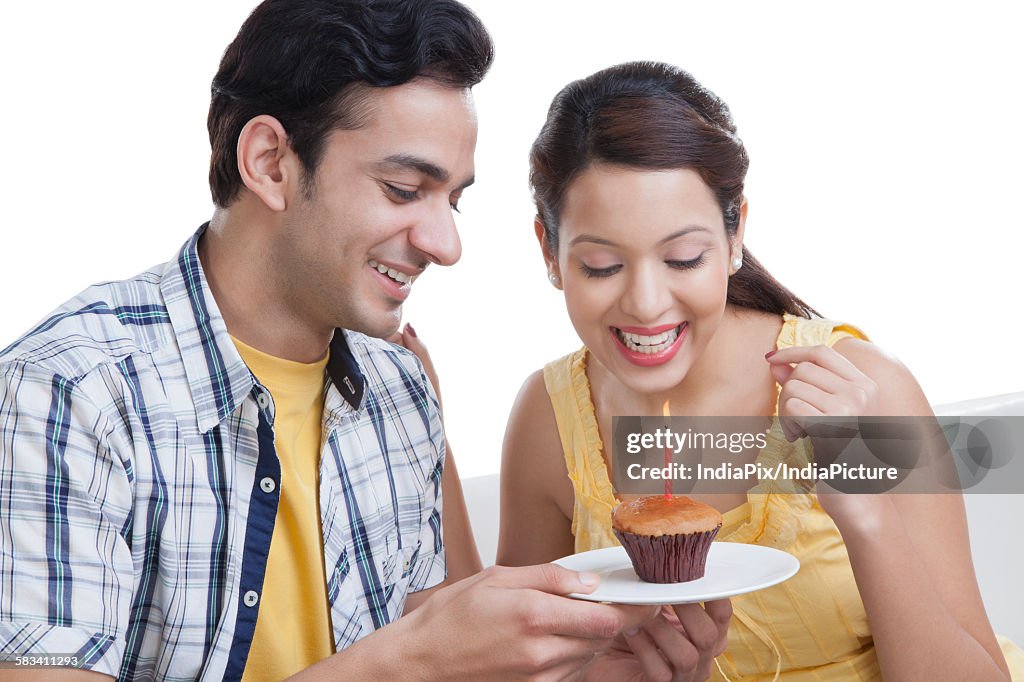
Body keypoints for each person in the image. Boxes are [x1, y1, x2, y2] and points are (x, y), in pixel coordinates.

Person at [0, 2, 663, 680]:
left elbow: (437, 640)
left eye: (452, 200)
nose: (447, 244)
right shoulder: (66, 395)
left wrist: (592, 663)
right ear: (270, 162)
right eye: (404, 189)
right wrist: (406, 661)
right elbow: (417, 656)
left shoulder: (399, 388)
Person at [494, 61, 1024, 680]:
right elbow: (520, 666)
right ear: (549, 253)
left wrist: (867, 512)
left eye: (684, 258)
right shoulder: (548, 418)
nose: (644, 302)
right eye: (603, 266)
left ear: (736, 230)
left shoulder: (862, 385)